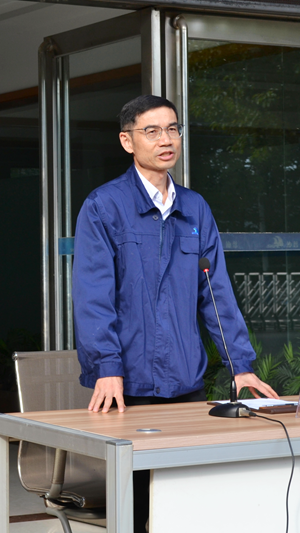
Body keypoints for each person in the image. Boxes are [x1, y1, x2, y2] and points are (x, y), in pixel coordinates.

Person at [72, 94, 277, 533]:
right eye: (152, 131)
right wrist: (107, 367)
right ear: (127, 141)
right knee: (133, 505)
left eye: (172, 129)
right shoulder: (104, 206)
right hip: (125, 386)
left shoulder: (194, 208)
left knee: (188, 501)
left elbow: (216, 294)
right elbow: (93, 296)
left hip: (186, 382)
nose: (166, 140)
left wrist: (240, 365)